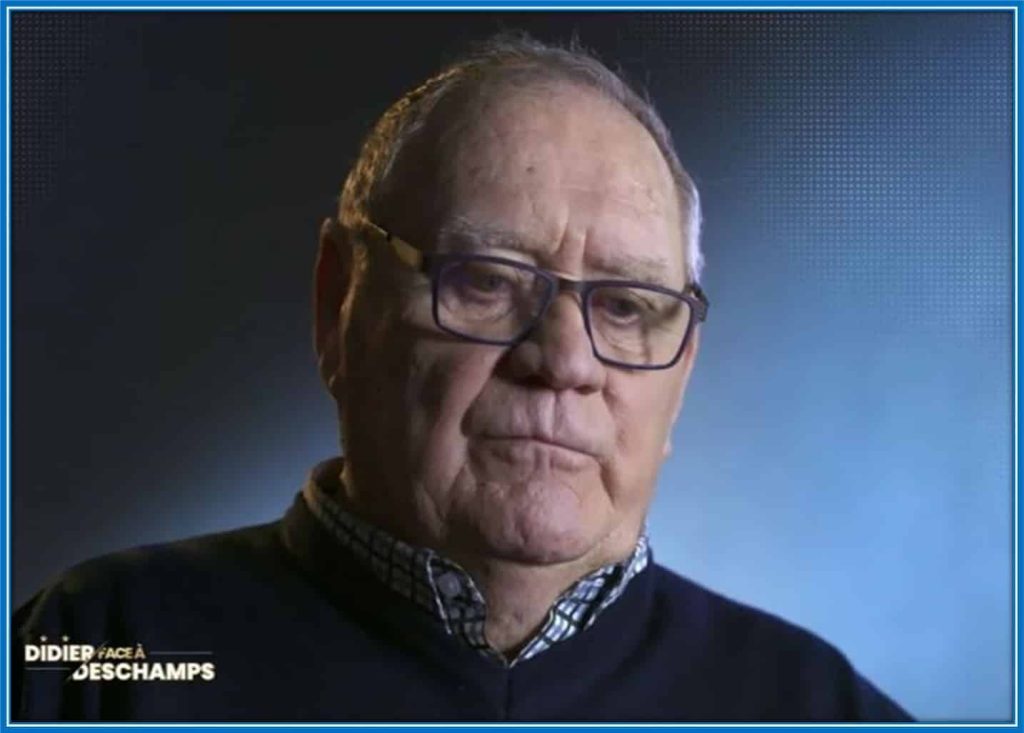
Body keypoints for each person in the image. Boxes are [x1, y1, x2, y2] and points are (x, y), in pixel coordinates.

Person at [12, 34, 912, 722]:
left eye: (629, 307)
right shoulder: (100, 654)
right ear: (341, 303)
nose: (563, 361)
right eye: (486, 281)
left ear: (680, 377)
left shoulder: (818, 710)